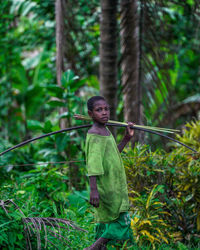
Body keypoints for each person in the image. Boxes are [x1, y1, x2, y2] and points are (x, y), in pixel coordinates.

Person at [85, 96, 134, 250]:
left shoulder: (105, 131)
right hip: (106, 187)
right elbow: (93, 164)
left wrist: (126, 138)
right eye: (99, 110)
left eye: (106, 109)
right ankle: (92, 248)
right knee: (121, 221)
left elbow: (113, 154)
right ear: (90, 114)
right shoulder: (95, 134)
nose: (104, 113)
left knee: (106, 221)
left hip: (113, 185)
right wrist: (94, 190)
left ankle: (100, 248)